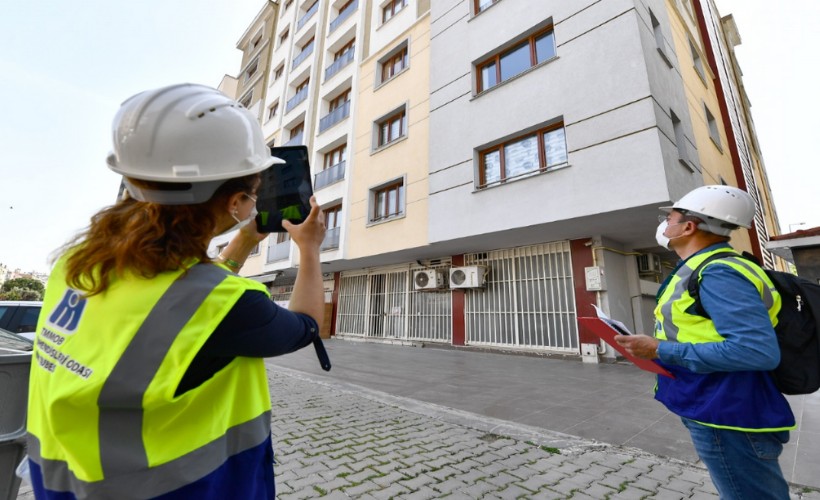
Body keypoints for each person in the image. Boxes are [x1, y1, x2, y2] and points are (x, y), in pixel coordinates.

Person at [26, 83, 327, 499]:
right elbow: (308, 324)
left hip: (62, 483)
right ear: (237, 202)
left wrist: (242, 243)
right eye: (253, 194)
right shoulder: (226, 306)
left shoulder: (76, 265)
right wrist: (309, 249)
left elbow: (176, 295)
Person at [616, 185, 795, 499]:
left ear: (688, 226)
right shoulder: (702, 268)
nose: (664, 225)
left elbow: (755, 351)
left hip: (727, 413)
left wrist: (658, 349)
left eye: (670, 217)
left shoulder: (719, 273)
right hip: (713, 404)